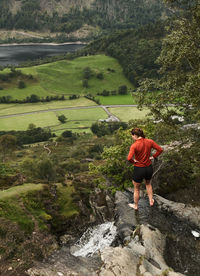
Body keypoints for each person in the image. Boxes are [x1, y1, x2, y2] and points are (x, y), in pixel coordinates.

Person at [127, 128, 163, 210]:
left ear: (135, 135)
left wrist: (134, 162)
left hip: (139, 168)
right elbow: (160, 149)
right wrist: (153, 157)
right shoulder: (149, 141)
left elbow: (129, 158)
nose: (132, 137)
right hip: (148, 167)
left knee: (136, 189)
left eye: (132, 135)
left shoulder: (134, 145)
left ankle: (135, 206)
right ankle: (151, 200)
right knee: (148, 184)